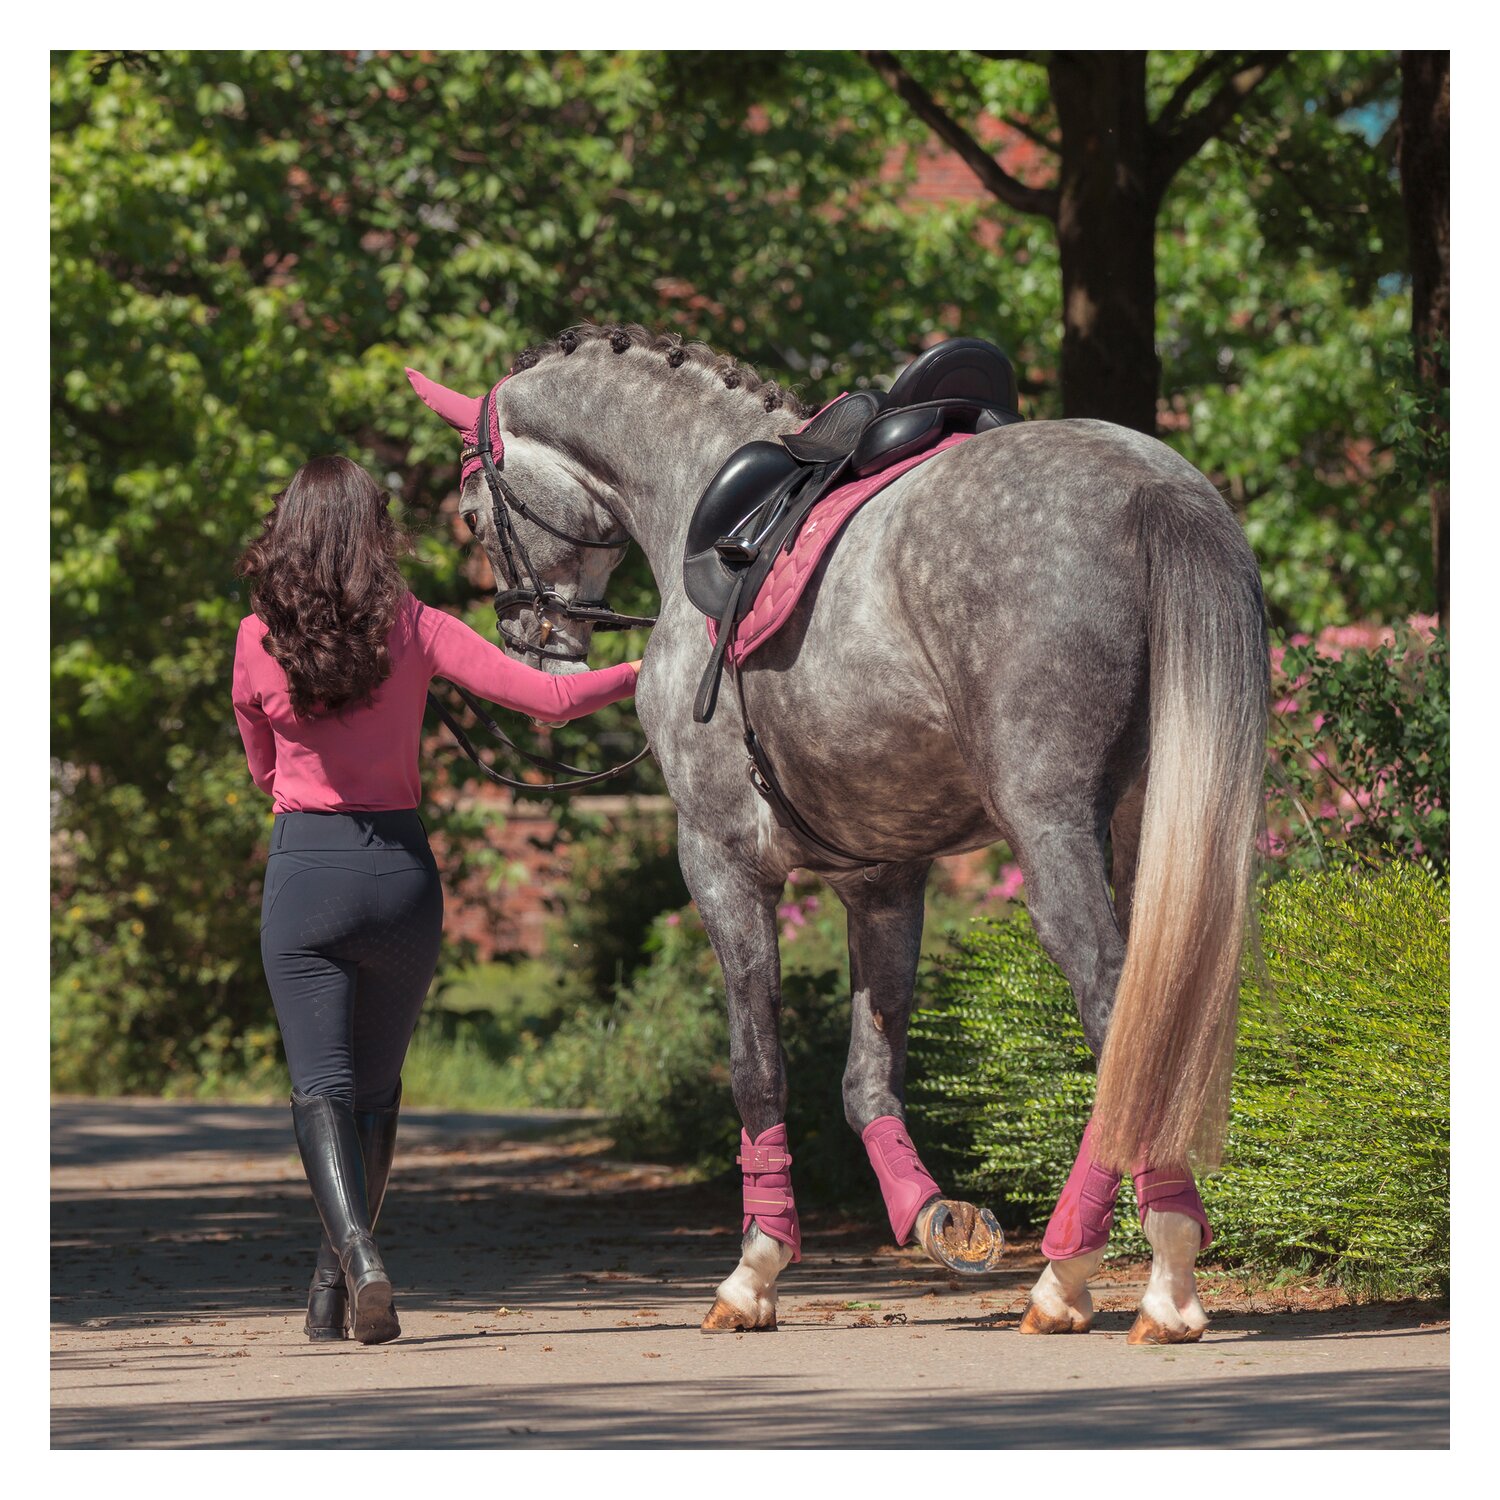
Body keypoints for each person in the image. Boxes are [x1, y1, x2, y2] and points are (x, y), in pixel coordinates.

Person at [231, 455, 641, 1345]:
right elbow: (551, 700)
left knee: (320, 1090)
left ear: (287, 535)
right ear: (374, 536)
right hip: (402, 880)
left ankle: (359, 1257)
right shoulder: (413, 625)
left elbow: (263, 765)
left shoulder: (255, 637)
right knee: (374, 1093)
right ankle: (330, 1290)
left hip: (307, 871)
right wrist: (647, 669)